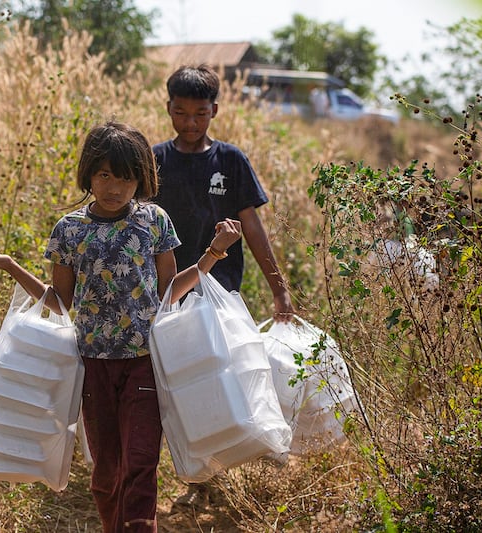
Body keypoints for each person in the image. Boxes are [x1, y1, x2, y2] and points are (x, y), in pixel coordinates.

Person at [0, 120, 243, 533]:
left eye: (125, 178)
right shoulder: (70, 230)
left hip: (144, 361)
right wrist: (10, 266)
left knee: (140, 462)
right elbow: (59, 302)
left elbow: (169, 292)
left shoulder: (153, 222)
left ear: (141, 179)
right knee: (106, 472)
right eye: (104, 175)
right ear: (88, 174)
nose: (114, 187)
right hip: (93, 365)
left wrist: (213, 253)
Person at [151, 64, 296, 509]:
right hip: (170, 294)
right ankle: (200, 482)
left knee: (223, 381)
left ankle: (235, 462)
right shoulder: (154, 161)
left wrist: (279, 288)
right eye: (181, 112)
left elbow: (253, 228)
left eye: (200, 113)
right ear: (168, 108)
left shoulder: (230, 161)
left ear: (215, 110)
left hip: (220, 293)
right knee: (185, 386)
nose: (190, 122)